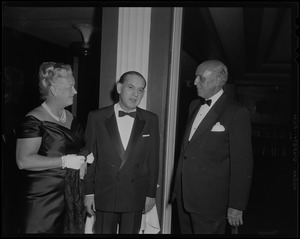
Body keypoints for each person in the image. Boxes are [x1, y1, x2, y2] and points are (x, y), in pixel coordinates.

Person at [173, 60, 253, 234]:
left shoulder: (236, 112)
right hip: (184, 196)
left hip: (210, 201)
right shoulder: (194, 105)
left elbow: (242, 163)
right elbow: (188, 150)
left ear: (218, 81)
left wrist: (236, 205)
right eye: (195, 77)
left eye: (200, 78)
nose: (194, 82)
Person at [16, 62, 93, 234]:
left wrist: (85, 157)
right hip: (42, 200)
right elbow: (23, 160)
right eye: (70, 87)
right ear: (54, 90)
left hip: (69, 197)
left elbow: (78, 147)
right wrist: (64, 161)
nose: (75, 91)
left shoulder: (71, 117)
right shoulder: (34, 119)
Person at [83, 71, 160, 234]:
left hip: (135, 193)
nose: (135, 94)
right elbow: (90, 158)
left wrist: (151, 194)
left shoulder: (151, 119)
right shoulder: (96, 117)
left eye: (140, 90)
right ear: (119, 88)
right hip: (104, 192)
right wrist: (89, 192)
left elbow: (153, 160)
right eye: (131, 87)